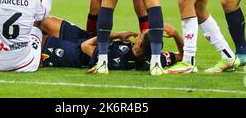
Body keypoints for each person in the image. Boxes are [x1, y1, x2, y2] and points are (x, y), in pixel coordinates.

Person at [39, 15, 183, 71]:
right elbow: (181, 56)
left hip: (76, 50)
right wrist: (175, 34)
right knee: (44, 21)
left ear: (139, 44)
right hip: (84, 38)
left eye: (142, 34)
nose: (140, 33)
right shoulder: (154, 58)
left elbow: (85, 46)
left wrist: (116, 35)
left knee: (40, 37)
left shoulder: (117, 57)